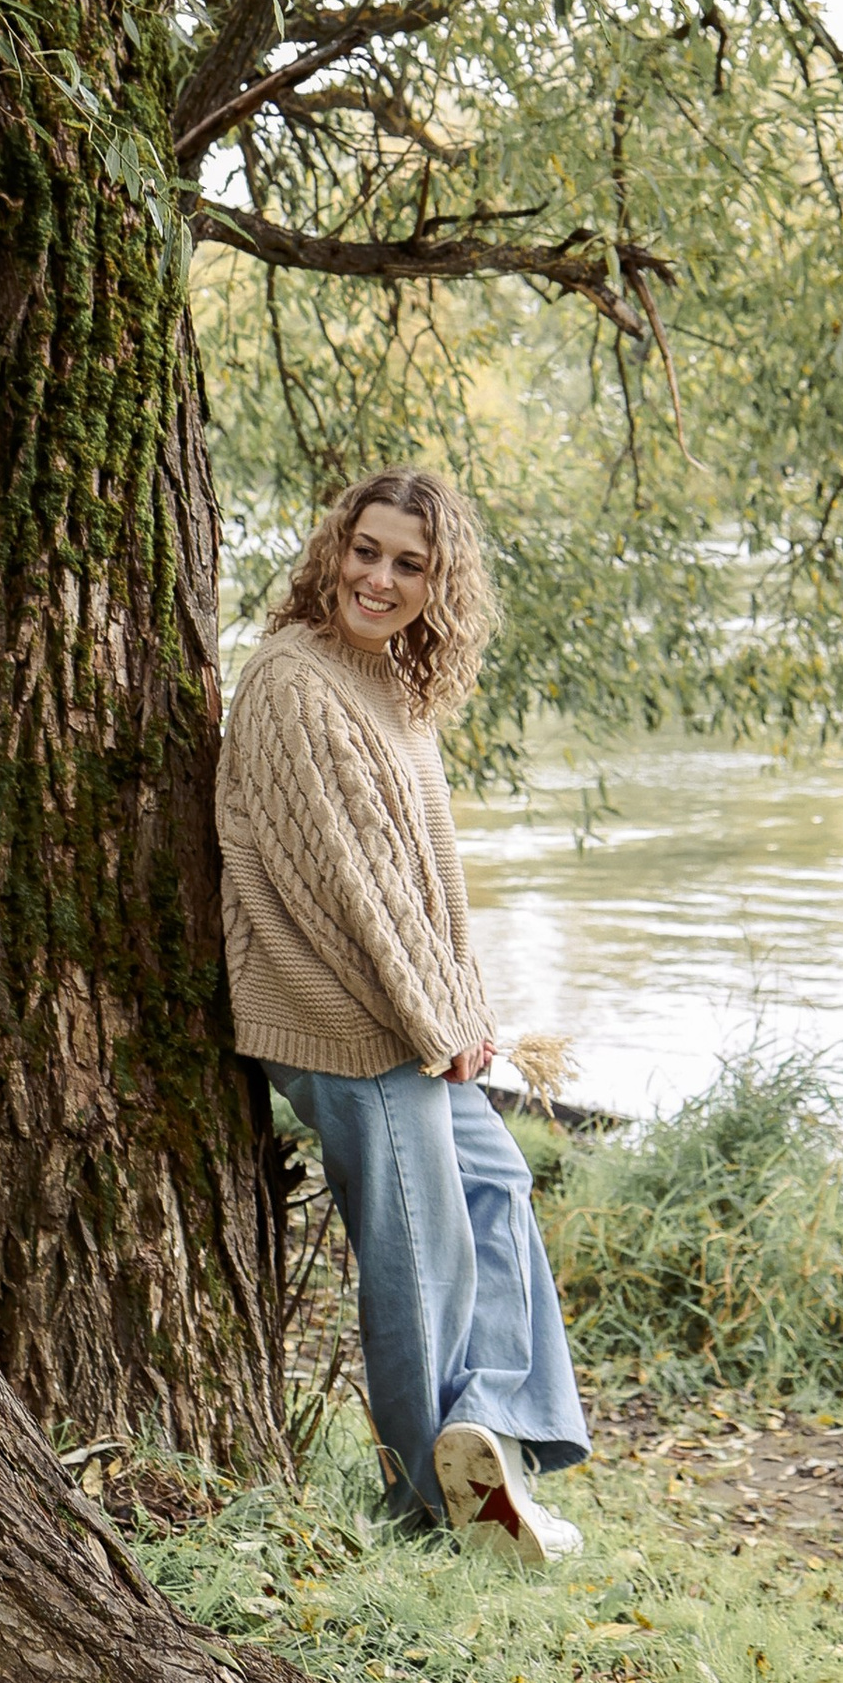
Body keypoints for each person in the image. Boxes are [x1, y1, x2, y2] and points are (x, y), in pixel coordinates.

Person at [218, 469, 589, 1559]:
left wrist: (461, 1010)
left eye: (408, 564)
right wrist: (440, 1024)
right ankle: (434, 1514)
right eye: (365, 551)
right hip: (337, 1013)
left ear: (440, 585)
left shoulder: (383, 682)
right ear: (334, 548)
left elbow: (427, 881)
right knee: (418, 1254)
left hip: (406, 1014)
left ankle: (487, 1439)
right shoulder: (294, 681)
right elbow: (351, 885)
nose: (378, 578)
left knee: (494, 1186)